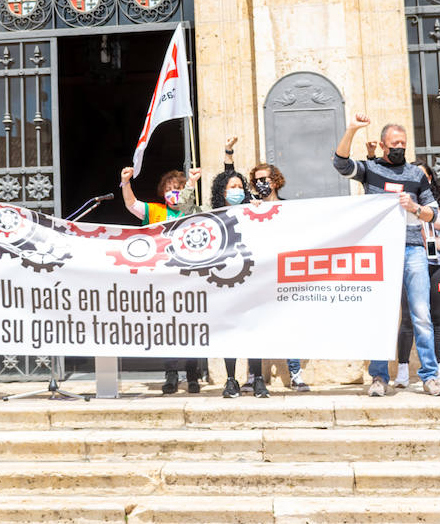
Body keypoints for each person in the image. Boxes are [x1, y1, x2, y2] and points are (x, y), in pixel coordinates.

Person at [333, 114, 440, 397]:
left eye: (403, 143)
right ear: (383, 145)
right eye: (394, 143)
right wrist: (352, 130)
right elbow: (341, 164)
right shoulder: (370, 170)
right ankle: (379, 377)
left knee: (421, 314)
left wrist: (415, 209)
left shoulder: (416, 175)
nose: (399, 147)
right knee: (379, 315)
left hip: (413, 251)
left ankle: (430, 377)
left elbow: (436, 216)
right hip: (379, 252)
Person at [213, 156, 306, 397]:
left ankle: (276, 376)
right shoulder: (232, 211)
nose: (260, 184)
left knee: (269, 325)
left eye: (264, 180)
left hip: (266, 276)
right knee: (237, 328)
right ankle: (239, 379)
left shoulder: (269, 208)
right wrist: (228, 154)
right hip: (236, 278)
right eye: (256, 181)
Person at [120, 164, 205, 394]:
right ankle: (170, 374)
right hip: (162, 278)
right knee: (168, 327)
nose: (172, 192)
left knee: (190, 325)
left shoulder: (193, 210)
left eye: (177, 187)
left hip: (188, 276)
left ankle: (192, 373)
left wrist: (192, 184)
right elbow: (131, 204)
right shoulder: (154, 211)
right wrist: (126, 182)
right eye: (168, 188)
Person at [395, 161, 440, 390]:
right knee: (408, 318)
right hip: (411, 265)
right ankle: (403, 370)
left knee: (437, 317)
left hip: (438, 265)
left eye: (424, 177)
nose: (421, 181)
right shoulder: (402, 205)